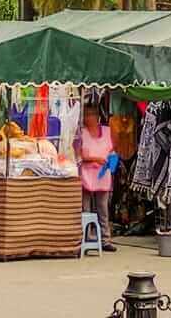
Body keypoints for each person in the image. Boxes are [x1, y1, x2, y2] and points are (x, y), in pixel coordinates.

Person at [74, 102, 117, 252]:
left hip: (102, 174)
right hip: (86, 174)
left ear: (97, 116)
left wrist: (111, 160)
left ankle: (105, 239)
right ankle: (84, 238)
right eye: (86, 115)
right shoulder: (81, 132)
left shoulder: (107, 131)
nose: (89, 118)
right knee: (85, 208)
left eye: (91, 114)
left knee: (103, 209)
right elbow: (79, 154)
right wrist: (94, 159)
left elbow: (112, 149)